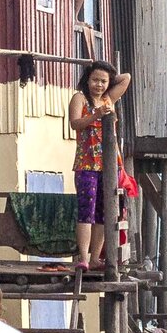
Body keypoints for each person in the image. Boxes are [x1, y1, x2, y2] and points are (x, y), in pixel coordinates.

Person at [69, 60, 131, 268]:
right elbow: (75, 124)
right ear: (87, 80)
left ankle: (96, 257)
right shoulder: (79, 98)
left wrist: (109, 75)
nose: (99, 85)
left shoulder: (108, 99)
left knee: (105, 212)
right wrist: (95, 115)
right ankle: (84, 258)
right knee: (87, 210)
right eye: (95, 80)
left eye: (104, 81)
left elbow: (126, 78)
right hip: (86, 163)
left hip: (109, 165)